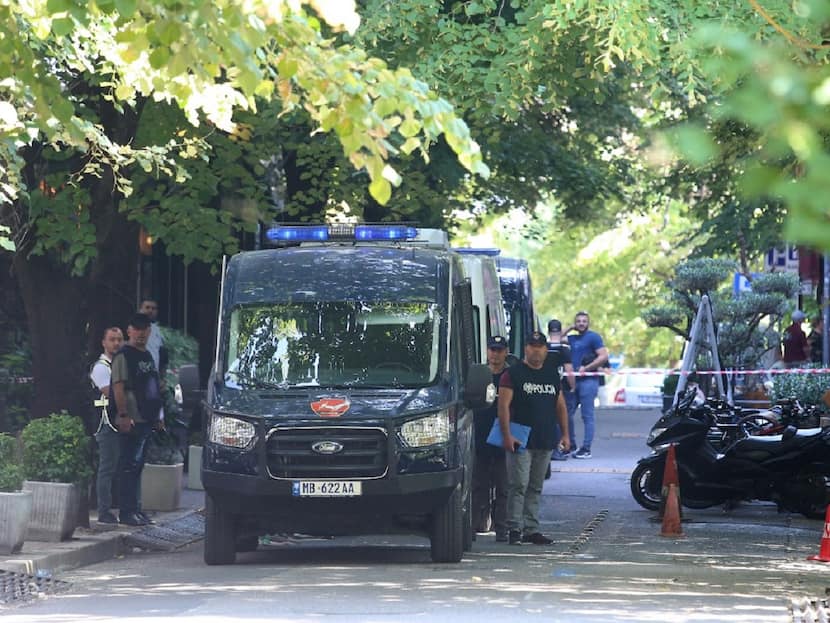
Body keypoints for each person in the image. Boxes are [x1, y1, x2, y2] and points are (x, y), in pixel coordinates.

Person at [497, 330, 570, 545]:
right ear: (525, 349)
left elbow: (561, 406)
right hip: (520, 436)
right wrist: (506, 435)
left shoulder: (551, 374)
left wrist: (565, 434)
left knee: (536, 486)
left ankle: (531, 528)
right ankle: (514, 529)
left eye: (540, 346)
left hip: (545, 438)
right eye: (532, 346)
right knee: (518, 484)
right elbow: (503, 407)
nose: (536, 350)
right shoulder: (513, 374)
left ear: (546, 350)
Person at [110, 313, 164, 526]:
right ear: (130, 330)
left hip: (147, 417)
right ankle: (126, 511)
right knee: (129, 465)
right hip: (132, 417)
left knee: (138, 465)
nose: (141, 333)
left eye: (145, 329)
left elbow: (153, 387)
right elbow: (118, 386)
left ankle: (136, 509)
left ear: (149, 332)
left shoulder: (148, 356)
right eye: (137, 328)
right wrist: (123, 415)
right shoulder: (124, 355)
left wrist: (159, 416)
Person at [472, 335, 510, 542]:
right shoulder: (480, 375)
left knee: (503, 487)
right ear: (487, 351)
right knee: (479, 487)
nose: (495, 354)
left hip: (504, 439)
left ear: (506, 352)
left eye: (499, 350)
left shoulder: (511, 376)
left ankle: (502, 528)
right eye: (492, 350)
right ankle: (475, 526)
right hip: (481, 437)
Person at [90, 326, 124, 524]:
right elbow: (109, 392)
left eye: (119, 339)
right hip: (106, 422)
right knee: (107, 467)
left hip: (115, 421)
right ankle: (104, 511)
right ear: (104, 343)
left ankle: (111, 507)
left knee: (114, 466)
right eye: (112, 339)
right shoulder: (102, 367)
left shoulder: (117, 365)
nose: (116, 343)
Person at [564, 311, 608, 459]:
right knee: (566, 413)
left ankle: (586, 448)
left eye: (584, 321)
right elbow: (556, 339)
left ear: (588, 323)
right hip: (573, 381)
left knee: (587, 415)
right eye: (578, 321)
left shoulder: (593, 337)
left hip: (589, 381)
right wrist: (570, 327)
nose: (581, 323)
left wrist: (587, 368)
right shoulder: (572, 338)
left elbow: (603, 356)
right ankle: (571, 445)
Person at [547, 319, 575, 461]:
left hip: (544, 388)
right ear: (560, 330)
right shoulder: (564, 349)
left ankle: (549, 449)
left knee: (549, 419)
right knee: (561, 418)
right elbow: (569, 371)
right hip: (560, 388)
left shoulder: (543, 347)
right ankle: (558, 450)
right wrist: (573, 386)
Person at [139, 299, 167, 376]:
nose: (150, 311)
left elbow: (162, 355)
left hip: (154, 375)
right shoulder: (133, 328)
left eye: (153, 308)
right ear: (140, 309)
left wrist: (162, 377)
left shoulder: (157, 330)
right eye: (147, 307)